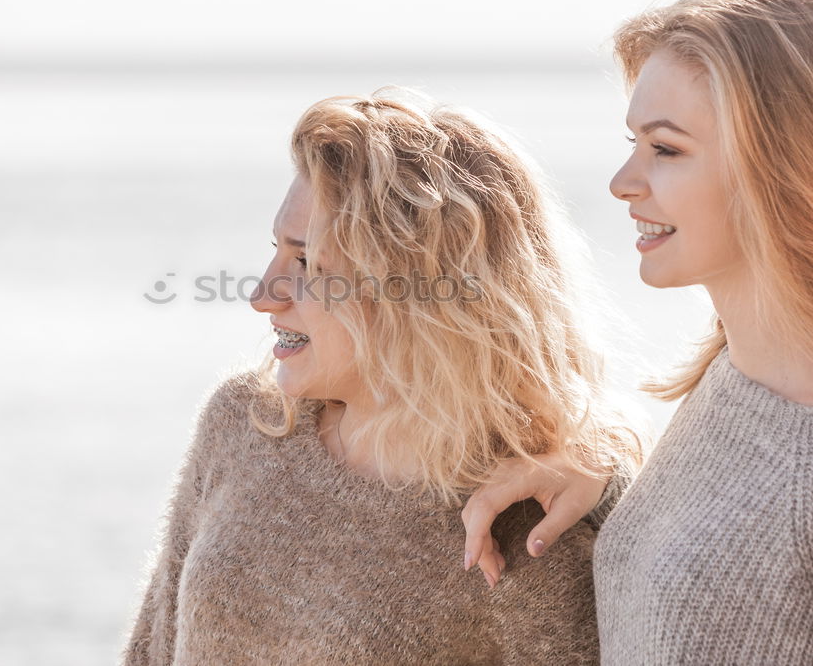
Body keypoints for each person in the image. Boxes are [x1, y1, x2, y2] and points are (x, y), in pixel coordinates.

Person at [120, 88, 646, 665]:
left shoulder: (523, 525)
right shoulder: (243, 423)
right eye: (275, 251)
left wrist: (613, 472)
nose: (262, 296)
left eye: (305, 262)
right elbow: (152, 649)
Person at [460, 0, 813, 664]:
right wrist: (606, 481)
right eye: (634, 142)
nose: (624, 181)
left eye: (667, 148)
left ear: (781, 165)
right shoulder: (734, 373)